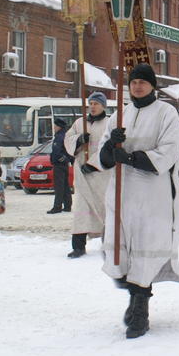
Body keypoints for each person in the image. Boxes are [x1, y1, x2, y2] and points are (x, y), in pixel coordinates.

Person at [96, 63, 179, 339]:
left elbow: (170, 150)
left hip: (152, 193)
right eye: (133, 82)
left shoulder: (166, 113)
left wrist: (132, 158)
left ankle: (140, 309)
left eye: (142, 82)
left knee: (146, 249)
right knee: (120, 251)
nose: (137, 86)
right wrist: (111, 145)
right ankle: (134, 296)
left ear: (152, 86)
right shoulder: (119, 114)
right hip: (122, 192)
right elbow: (102, 156)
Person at [63, 92, 110, 258]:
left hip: (101, 175)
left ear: (103, 106)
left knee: (105, 209)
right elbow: (67, 139)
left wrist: (93, 164)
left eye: (96, 103)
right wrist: (79, 139)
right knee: (81, 210)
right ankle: (78, 246)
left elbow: (109, 147)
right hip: (82, 175)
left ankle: (108, 244)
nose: (93, 106)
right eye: (91, 103)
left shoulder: (109, 123)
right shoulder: (79, 123)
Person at [47, 118, 73, 214]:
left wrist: (60, 159)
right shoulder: (65, 135)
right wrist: (66, 159)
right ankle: (67, 205)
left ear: (59, 127)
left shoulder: (59, 137)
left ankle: (57, 207)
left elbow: (57, 151)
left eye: (55, 126)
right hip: (64, 164)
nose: (54, 128)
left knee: (59, 186)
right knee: (65, 185)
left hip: (59, 165)